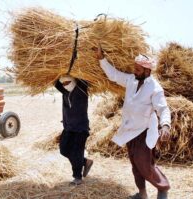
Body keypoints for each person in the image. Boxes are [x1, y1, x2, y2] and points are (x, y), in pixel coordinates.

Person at [94, 44, 171, 199]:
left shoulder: (155, 88)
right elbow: (114, 75)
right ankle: (142, 194)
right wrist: (102, 58)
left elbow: (163, 108)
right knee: (135, 165)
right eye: (135, 68)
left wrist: (166, 125)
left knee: (144, 164)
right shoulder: (131, 80)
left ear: (147, 71)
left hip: (144, 131)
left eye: (138, 69)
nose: (134, 71)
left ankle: (163, 188)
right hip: (130, 130)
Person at [55, 75, 93, 186]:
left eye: (67, 83)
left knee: (77, 152)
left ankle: (77, 177)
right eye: (64, 84)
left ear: (74, 81)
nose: (65, 86)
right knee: (64, 150)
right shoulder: (65, 92)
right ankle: (85, 161)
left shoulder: (81, 90)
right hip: (68, 127)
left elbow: (82, 74)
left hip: (80, 128)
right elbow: (56, 83)